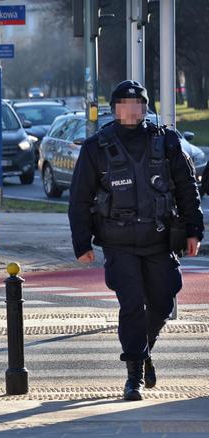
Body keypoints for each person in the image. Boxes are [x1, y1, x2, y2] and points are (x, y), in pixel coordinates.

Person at [69, 80, 204, 401]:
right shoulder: (96, 148)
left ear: (145, 108)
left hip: (160, 240)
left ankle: (144, 354)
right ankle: (133, 377)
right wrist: (82, 243)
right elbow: (79, 199)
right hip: (119, 242)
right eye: (124, 103)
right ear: (114, 109)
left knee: (162, 300)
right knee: (131, 305)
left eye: (137, 103)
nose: (131, 109)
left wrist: (194, 231)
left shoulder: (168, 142)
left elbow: (187, 190)